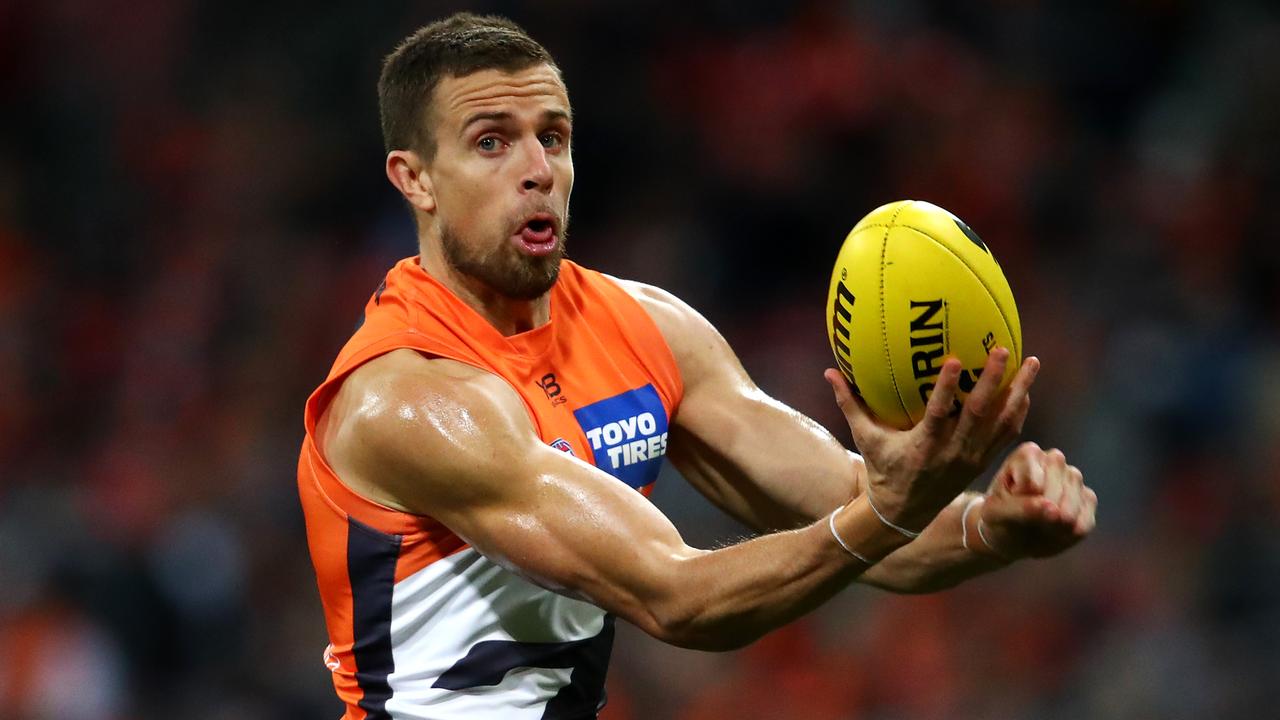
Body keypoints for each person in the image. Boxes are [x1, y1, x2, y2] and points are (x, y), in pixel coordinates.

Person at [297, 12, 1097, 720]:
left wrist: (993, 525)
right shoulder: (405, 397)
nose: (537, 168)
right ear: (415, 180)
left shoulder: (648, 329)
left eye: (555, 135)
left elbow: (871, 514)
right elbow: (674, 596)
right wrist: (890, 511)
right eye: (491, 142)